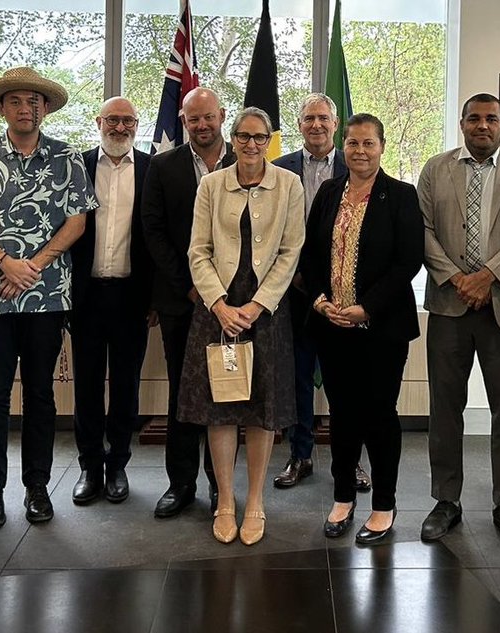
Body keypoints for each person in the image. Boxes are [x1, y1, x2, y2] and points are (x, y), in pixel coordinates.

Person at [0, 66, 94, 528]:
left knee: (40, 394)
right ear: (2, 108)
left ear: (45, 108)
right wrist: (4, 261)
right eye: (16, 101)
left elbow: (77, 222)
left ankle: (37, 488)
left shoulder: (67, 157)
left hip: (46, 296)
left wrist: (31, 267)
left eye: (34, 101)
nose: (26, 108)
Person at [417, 93, 500, 548]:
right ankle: (445, 500)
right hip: (449, 303)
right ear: (462, 123)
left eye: (492, 118)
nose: (482, 125)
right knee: (444, 409)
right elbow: (423, 230)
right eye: (474, 118)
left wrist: (488, 277)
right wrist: (458, 280)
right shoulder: (436, 168)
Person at [178, 106, 304, 545]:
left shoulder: (289, 184)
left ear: (269, 141)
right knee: (221, 408)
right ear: (232, 139)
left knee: (262, 411)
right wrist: (219, 304)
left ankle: (254, 501)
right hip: (218, 309)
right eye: (244, 136)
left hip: (266, 311)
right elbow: (198, 250)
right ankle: (226, 502)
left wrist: (257, 305)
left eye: (259, 137)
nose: (251, 144)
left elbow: (291, 251)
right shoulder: (212, 185)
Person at [301, 113, 423, 544]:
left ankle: (384, 505)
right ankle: (342, 497)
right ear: (343, 145)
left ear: (382, 147)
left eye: (368, 143)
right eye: (352, 143)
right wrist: (320, 300)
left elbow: (408, 261)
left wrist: (365, 308)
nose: (360, 151)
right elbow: (310, 253)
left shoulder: (402, 195)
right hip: (332, 326)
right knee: (342, 414)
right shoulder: (329, 192)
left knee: (379, 415)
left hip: (381, 329)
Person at [142, 86, 235, 519]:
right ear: (183, 121)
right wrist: (191, 286)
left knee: (227, 393)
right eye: (193, 118)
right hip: (183, 300)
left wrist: (224, 292)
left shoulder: (247, 160)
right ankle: (180, 483)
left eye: (208, 116)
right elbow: (154, 232)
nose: (202, 125)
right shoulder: (163, 167)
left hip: (233, 303)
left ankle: (222, 486)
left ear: (222, 116)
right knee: (183, 391)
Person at [272, 93, 371, 492]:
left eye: (323, 118)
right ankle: (300, 454)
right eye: (308, 118)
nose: (316, 125)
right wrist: (296, 276)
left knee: (347, 381)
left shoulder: (356, 165)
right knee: (297, 376)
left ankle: (352, 461)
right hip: (293, 290)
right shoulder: (279, 168)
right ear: (299, 124)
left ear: (335, 124)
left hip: (343, 294)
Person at [68, 96, 153, 505]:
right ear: (98, 122)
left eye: (128, 121)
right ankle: (89, 466)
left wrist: (155, 298)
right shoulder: (76, 166)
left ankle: (118, 464)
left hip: (132, 297)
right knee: (85, 385)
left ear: (137, 125)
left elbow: (156, 237)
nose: (121, 128)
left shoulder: (153, 169)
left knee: (125, 385)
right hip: (84, 295)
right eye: (113, 120)